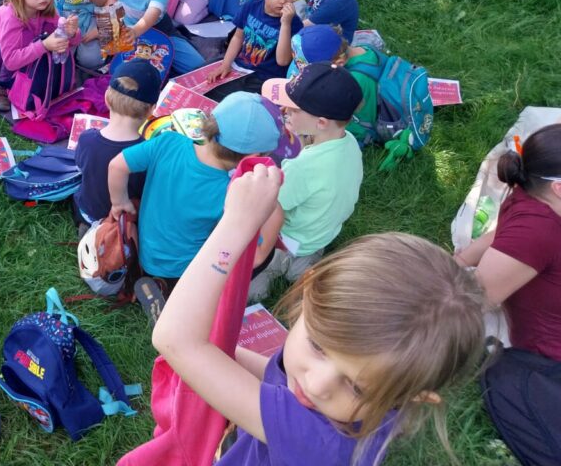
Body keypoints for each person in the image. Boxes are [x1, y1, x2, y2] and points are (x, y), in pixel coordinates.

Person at [153, 162, 487, 466]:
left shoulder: (320, 441)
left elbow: (174, 338)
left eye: (357, 388)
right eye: (318, 347)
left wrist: (237, 223)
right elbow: (275, 376)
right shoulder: (370, 381)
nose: (316, 384)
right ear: (308, 287)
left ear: (413, 396)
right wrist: (218, 354)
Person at [454, 124, 561, 466]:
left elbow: (503, 232)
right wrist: (458, 268)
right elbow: (478, 298)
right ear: (558, 188)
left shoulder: (530, 196)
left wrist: (463, 258)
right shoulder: (536, 230)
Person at [108, 92, 280, 293]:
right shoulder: (229, 192)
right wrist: (276, 213)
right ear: (253, 158)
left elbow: (116, 166)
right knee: (266, 255)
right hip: (186, 274)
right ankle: (166, 291)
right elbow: (256, 256)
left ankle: (154, 284)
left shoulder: (167, 141)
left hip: (144, 257)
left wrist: (120, 202)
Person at [250, 63, 364, 300]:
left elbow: (269, 207)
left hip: (288, 242)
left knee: (248, 290)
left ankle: (282, 267)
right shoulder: (349, 141)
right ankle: (303, 267)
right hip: (319, 236)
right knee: (303, 262)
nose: (284, 110)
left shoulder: (302, 167)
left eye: (293, 110)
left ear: (321, 122)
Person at [73, 59, 160, 230]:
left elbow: (80, 167)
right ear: (151, 110)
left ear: (106, 98)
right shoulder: (147, 152)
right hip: (124, 220)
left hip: (88, 213)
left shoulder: (86, 139)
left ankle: (90, 228)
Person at [207, 0, 303, 96]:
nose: (283, 0)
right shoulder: (252, 6)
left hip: (264, 78)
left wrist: (286, 24)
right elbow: (238, 37)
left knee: (225, 98)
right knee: (208, 82)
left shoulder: (294, 22)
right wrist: (226, 64)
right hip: (240, 67)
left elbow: (283, 61)